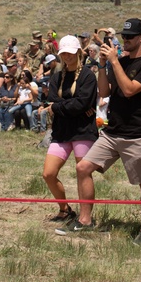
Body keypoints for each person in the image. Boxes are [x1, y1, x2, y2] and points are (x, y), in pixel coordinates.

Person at [56, 18, 141, 245]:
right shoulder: (119, 63)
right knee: (83, 167)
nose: (125, 40)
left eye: (130, 37)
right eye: (123, 36)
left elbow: (130, 89)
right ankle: (85, 221)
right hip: (113, 131)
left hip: (138, 133)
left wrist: (114, 62)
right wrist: (103, 65)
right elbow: (104, 92)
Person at [37, 35, 98, 222]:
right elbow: (57, 101)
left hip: (83, 131)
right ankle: (65, 209)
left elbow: (80, 104)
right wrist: (67, 106)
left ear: (79, 52)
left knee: (83, 173)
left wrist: (58, 107)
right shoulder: (56, 77)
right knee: (48, 173)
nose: (67, 56)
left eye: (71, 53)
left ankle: (84, 217)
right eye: (64, 53)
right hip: (61, 131)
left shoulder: (88, 76)